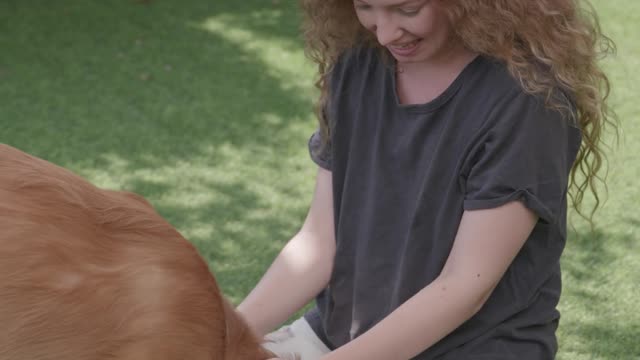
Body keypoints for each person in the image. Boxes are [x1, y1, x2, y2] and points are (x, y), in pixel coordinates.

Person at [238, 0, 617, 359]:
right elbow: (319, 243)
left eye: (407, 9)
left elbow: (465, 286)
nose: (384, 33)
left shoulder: (526, 99)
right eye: (365, 6)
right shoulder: (357, 62)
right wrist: (221, 333)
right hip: (346, 338)